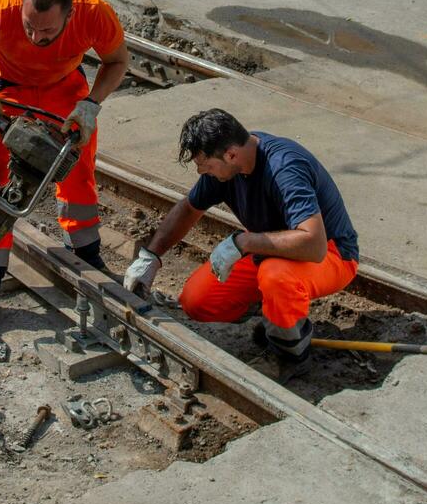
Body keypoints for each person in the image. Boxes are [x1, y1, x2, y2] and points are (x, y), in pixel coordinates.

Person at [0, 0, 131, 324]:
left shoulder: (93, 13)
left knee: (78, 175)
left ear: (69, 16)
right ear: (22, 8)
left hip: (64, 93)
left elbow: (117, 60)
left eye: (46, 31)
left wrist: (91, 105)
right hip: (6, 92)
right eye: (29, 27)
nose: (35, 37)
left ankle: (85, 258)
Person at [124, 109, 359, 377]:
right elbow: (189, 208)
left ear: (231, 154)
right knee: (197, 301)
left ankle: (287, 355)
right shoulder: (227, 168)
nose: (202, 172)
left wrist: (243, 241)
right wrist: (150, 256)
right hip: (270, 251)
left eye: (206, 165)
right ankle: (277, 313)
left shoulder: (284, 167)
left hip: (332, 254)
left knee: (275, 275)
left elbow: (314, 245)